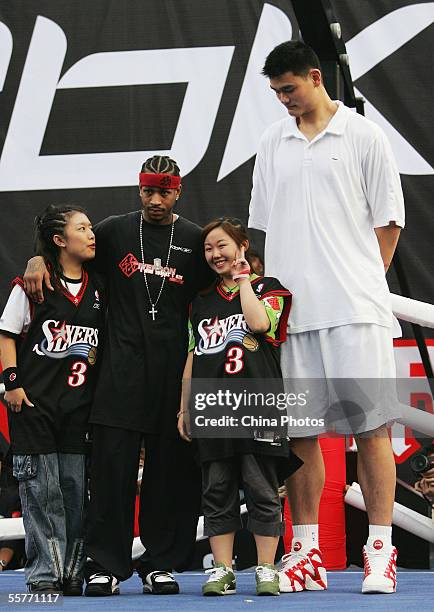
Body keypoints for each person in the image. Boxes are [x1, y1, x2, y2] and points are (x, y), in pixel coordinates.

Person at [248, 41, 405, 594]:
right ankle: (307, 551)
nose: (283, 101)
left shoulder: (363, 135)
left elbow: (389, 223)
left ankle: (381, 551)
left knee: (371, 429)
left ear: (316, 77)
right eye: (275, 93)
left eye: (289, 89)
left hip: (356, 314)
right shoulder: (272, 141)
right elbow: (264, 227)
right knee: (301, 436)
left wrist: (361, 283)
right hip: (292, 318)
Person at [23, 157, 214, 596]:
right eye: (148, 191)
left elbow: (223, 276)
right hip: (119, 370)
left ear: (178, 191)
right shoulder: (113, 230)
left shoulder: (193, 238)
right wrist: (37, 258)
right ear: (139, 189)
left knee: (171, 473)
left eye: (164, 192)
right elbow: (68, 252)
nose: (155, 200)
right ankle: (105, 563)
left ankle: (160, 562)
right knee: (112, 470)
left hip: (173, 374)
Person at [178, 218, 302, 596]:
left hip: (258, 406)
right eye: (208, 250)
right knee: (217, 490)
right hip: (214, 408)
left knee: (262, 488)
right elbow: (192, 356)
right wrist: (185, 407)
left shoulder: (270, 288)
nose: (215, 255)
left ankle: (266, 567)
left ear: (242, 244)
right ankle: (222, 569)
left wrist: (245, 280)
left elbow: (259, 324)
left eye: (222, 246)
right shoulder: (200, 302)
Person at [0, 204, 104, 594]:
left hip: (78, 408)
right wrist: (11, 382)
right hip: (35, 407)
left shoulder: (99, 286)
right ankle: (44, 573)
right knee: (40, 493)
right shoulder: (32, 284)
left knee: (74, 493)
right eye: (82, 227)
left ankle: (72, 571)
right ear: (60, 240)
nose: (91, 233)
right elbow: (7, 333)